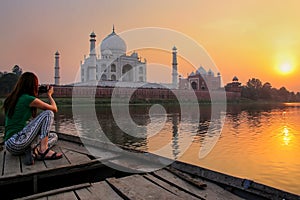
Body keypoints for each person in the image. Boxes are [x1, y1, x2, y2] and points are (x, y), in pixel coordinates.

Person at [2, 72, 62, 165]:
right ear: (32, 86)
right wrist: (49, 95)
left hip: (10, 145)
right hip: (17, 141)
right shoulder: (27, 99)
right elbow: (54, 109)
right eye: (36, 85)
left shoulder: (13, 98)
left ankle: (34, 150)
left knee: (53, 136)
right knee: (48, 113)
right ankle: (43, 150)